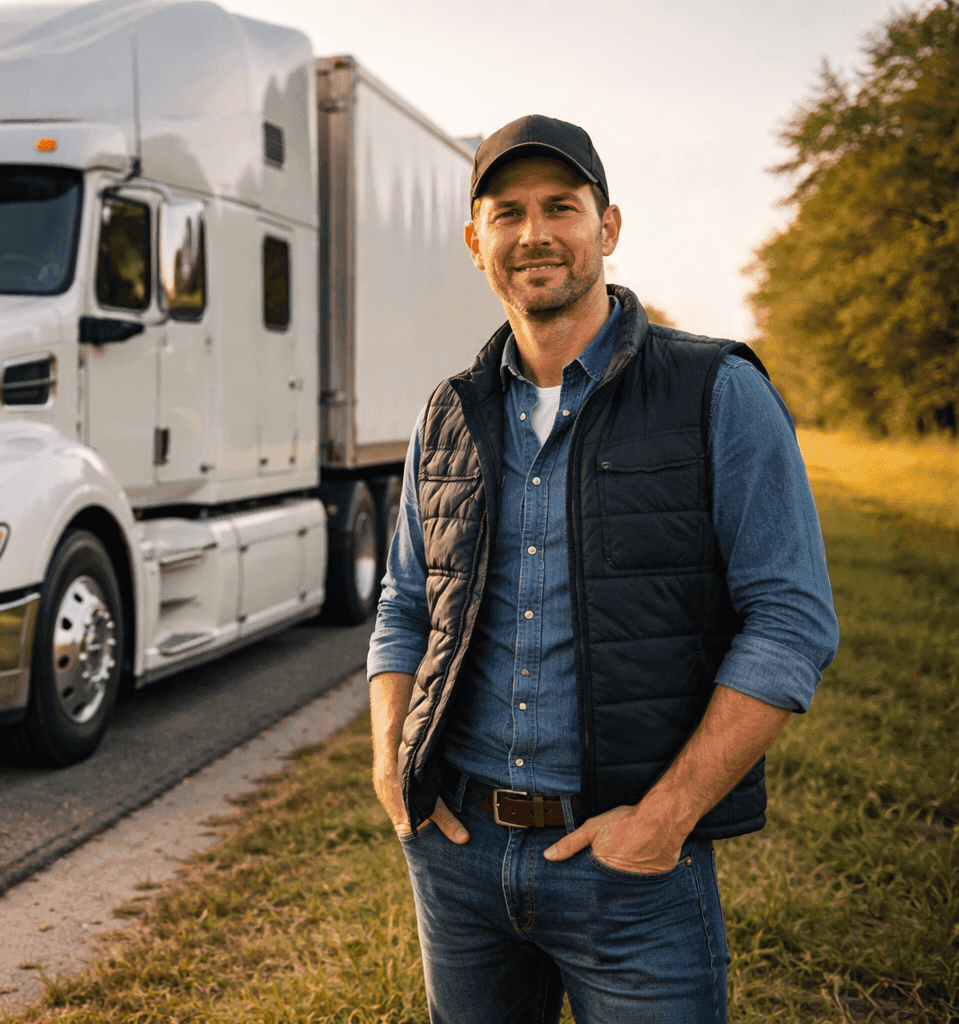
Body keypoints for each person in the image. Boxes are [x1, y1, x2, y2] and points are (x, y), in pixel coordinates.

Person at [367, 114, 839, 1023]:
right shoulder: (449, 413)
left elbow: (791, 621)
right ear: (475, 242)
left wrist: (665, 820)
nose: (534, 234)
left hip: (631, 871)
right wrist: (392, 764)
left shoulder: (717, 391)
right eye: (507, 214)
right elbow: (405, 603)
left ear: (608, 227)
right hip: (458, 862)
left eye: (561, 207)